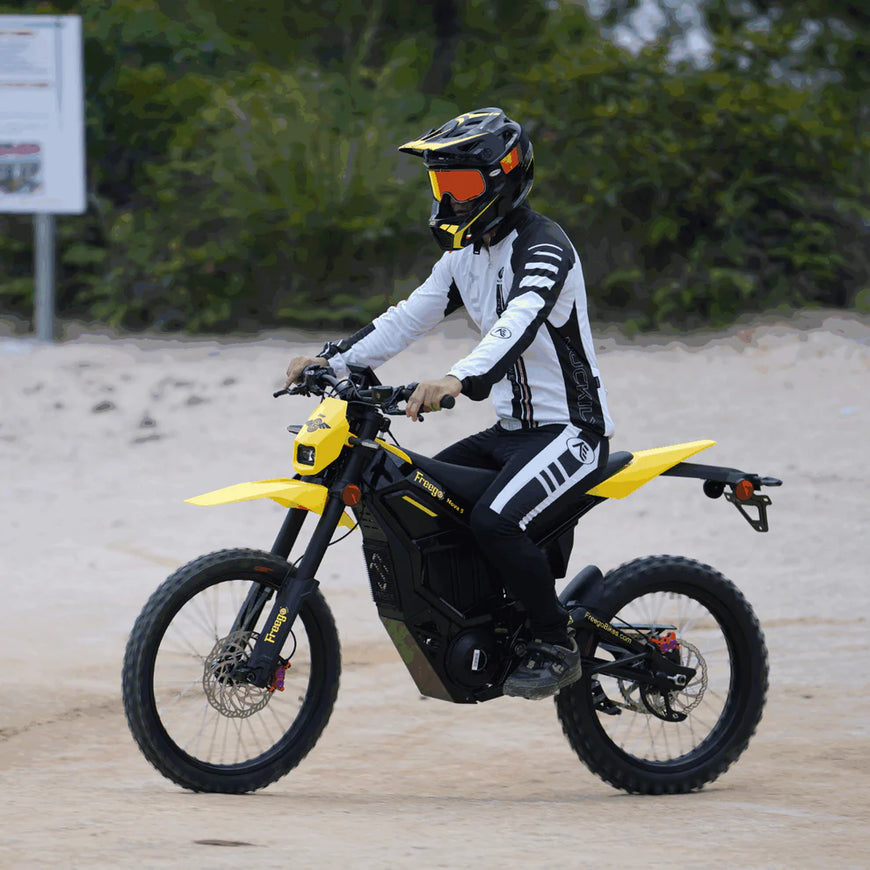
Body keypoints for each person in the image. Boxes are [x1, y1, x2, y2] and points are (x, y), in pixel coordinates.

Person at [285, 107, 614, 700]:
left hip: (572, 433)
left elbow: (517, 323)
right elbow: (407, 317)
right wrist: (331, 362)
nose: (450, 199)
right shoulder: (465, 257)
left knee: (495, 519)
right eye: (443, 186)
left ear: (504, 178)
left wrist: (458, 378)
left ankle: (554, 641)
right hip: (510, 433)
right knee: (418, 495)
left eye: (462, 184)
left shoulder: (545, 248)